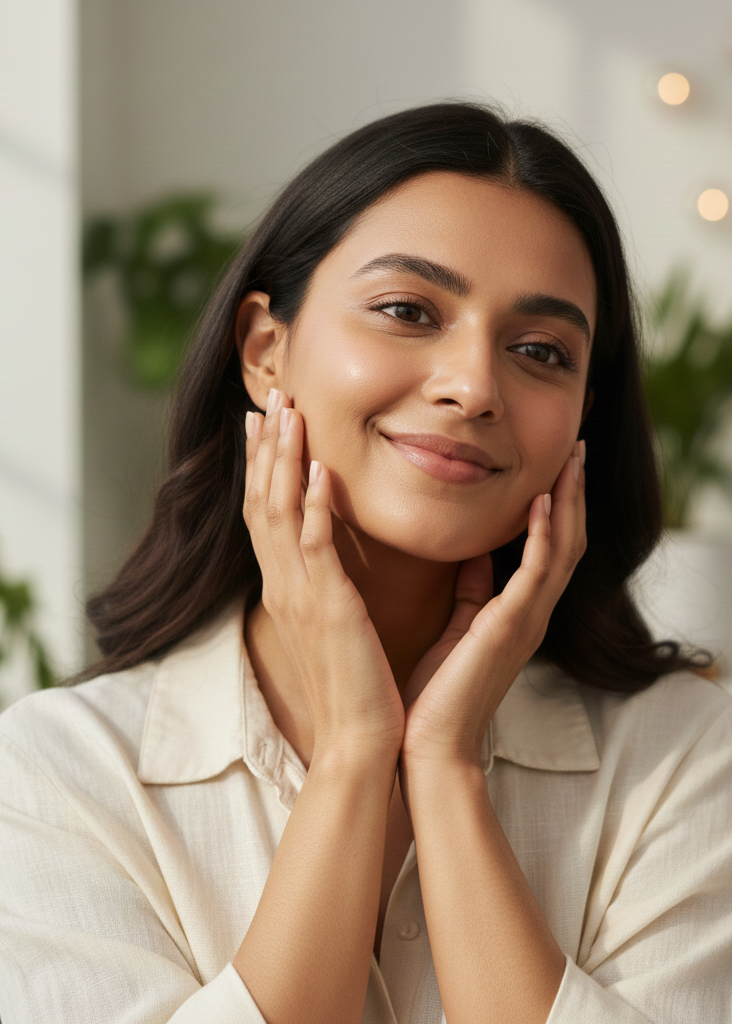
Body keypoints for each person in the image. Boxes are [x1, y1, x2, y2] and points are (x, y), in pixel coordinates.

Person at [0, 102, 730, 1024]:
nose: (472, 386)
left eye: (541, 351)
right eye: (406, 310)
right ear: (267, 351)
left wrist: (447, 768)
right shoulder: (59, 771)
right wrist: (353, 754)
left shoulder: (685, 755)